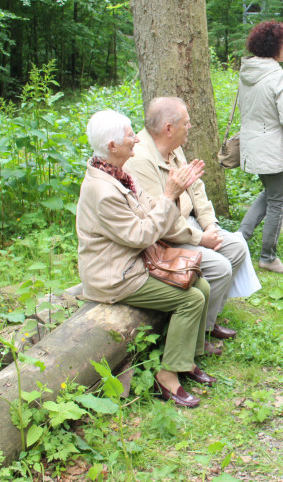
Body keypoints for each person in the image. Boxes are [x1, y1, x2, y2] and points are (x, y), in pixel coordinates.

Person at [77, 110, 215, 408]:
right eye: (129, 135)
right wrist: (169, 195)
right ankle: (167, 376)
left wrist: (176, 190)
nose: (136, 138)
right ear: (112, 146)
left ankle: (186, 359)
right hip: (116, 277)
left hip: (135, 262)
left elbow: (151, 207)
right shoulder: (102, 191)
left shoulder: (119, 173)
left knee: (200, 284)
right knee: (189, 299)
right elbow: (141, 235)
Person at [126, 97, 252, 351]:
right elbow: (157, 218)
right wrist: (199, 239)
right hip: (164, 238)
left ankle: (207, 323)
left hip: (190, 224)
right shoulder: (140, 160)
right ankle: (194, 338)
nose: (191, 126)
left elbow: (196, 187)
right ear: (168, 128)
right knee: (219, 266)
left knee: (237, 247)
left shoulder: (173, 147)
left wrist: (210, 225)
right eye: (187, 122)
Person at [237, 20, 283, 274]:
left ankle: (240, 238)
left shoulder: (247, 73)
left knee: (269, 195)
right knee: (278, 201)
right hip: (273, 147)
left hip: (252, 145)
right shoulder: (280, 78)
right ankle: (268, 256)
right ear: (273, 46)